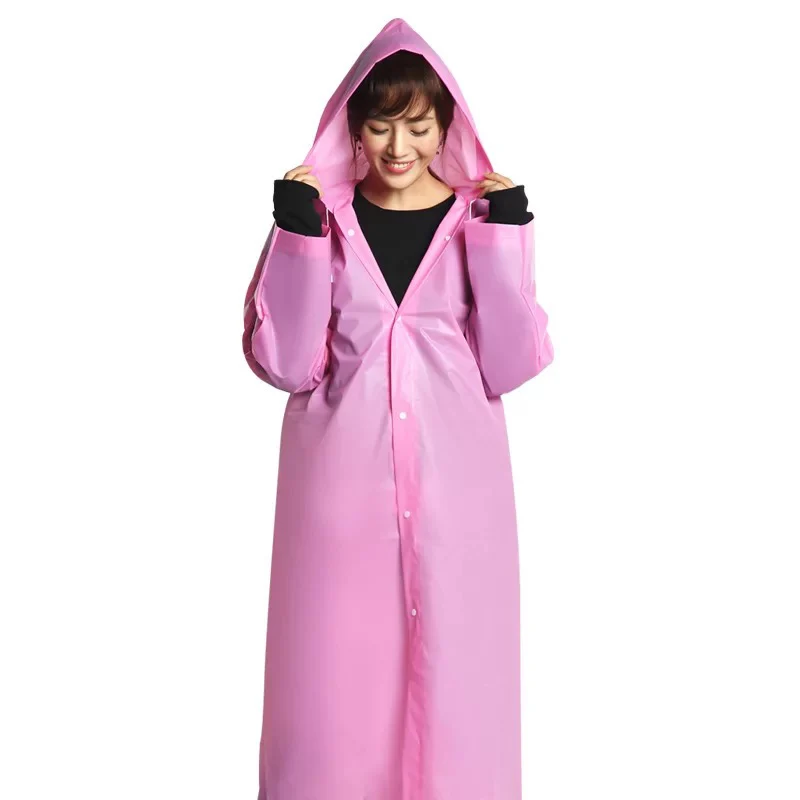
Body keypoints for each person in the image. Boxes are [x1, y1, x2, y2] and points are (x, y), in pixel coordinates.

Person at [242, 18, 554, 800]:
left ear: (447, 127)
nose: (398, 146)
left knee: (461, 686)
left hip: (460, 498)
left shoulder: (477, 223)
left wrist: (507, 238)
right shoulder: (326, 221)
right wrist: (298, 235)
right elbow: (286, 362)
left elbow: (511, 363)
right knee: (330, 689)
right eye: (381, 125)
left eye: (417, 125)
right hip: (338, 499)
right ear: (354, 128)